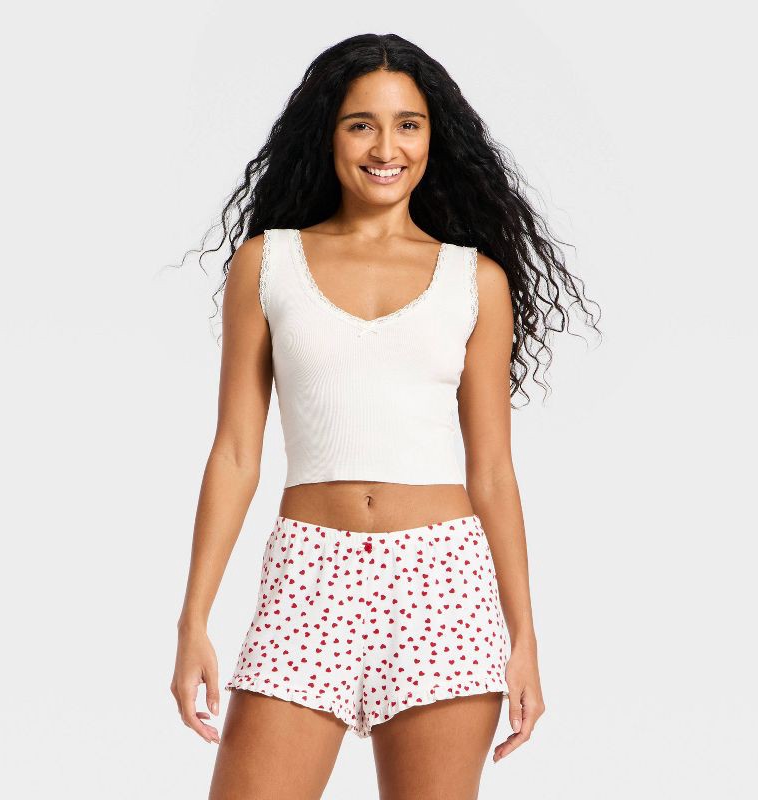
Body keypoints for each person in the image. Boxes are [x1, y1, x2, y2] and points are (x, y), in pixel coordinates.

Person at [170, 33, 600, 800]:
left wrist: (524, 636)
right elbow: (235, 452)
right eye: (360, 124)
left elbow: (493, 471)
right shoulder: (267, 264)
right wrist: (193, 619)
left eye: (408, 124)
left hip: (442, 585)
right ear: (328, 135)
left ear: (434, 137)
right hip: (307, 579)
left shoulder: (476, 280)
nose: (385, 148)